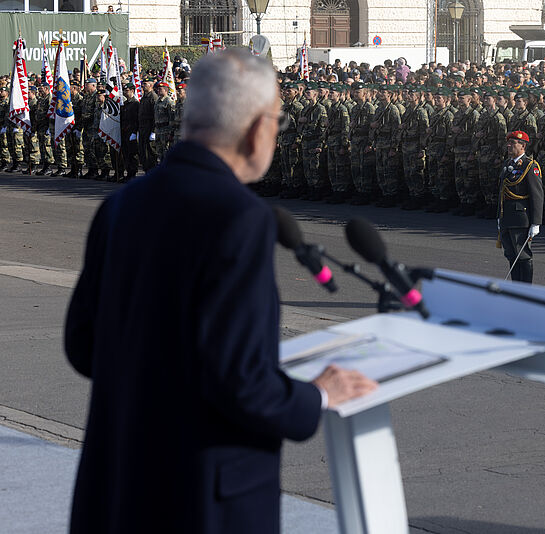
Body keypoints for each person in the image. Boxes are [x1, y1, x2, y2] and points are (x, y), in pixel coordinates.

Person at [64, 49, 377, 534]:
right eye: (278, 121)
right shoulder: (239, 218)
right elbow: (241, 383)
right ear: (257, 128)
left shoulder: (122, 204)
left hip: (120, 481)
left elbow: (83, 345)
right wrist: (315, 397)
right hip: (199, 499)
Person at [497, 130, 544, 283]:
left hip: (521, 218)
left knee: (522, 255)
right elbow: (502, 192)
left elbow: (537, 195)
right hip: (507, 217)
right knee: (511, 254)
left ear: (523, 145)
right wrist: (499, 216)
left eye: (513, 143)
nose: (508, 145)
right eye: (508, 142)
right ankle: (515, 288)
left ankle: (525, 289)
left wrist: (536, 222)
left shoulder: (530, 165)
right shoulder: (508, 163)